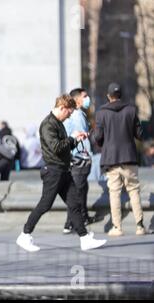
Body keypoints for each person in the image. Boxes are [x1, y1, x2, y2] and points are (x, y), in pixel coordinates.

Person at [16, 94, 106, 252]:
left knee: (74, 204)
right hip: (53, 171)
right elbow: (56, 147)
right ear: (62, 108)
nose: (69, 116)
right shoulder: (48, 124)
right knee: (45, 204)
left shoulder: (58, 123)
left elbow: (63, 148)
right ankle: (24, 234)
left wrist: (76, 140)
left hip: (63, 170)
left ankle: (84, 239)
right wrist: (72, 138)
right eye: (69, 113)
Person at [91, 83, 146, 236]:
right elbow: (140, 135)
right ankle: (140, 226)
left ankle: (117, 227)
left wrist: (102, 143)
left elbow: (98, 137)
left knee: (114, 193)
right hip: (129, 157)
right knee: (134, 191)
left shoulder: (101, 112)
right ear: (121, 95)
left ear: (109, 96)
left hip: (111, 158)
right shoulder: (131, 110)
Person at [62, 88, 96, 234]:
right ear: (77, 100)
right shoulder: (77, 116)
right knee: (78, 190)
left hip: (74, 159)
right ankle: (70, 223)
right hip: (79, 159)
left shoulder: (75, 115)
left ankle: (83, 216)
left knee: (82, 188)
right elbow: (82, 139)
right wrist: (88, 156)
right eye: (85, 96)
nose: (87, 98)